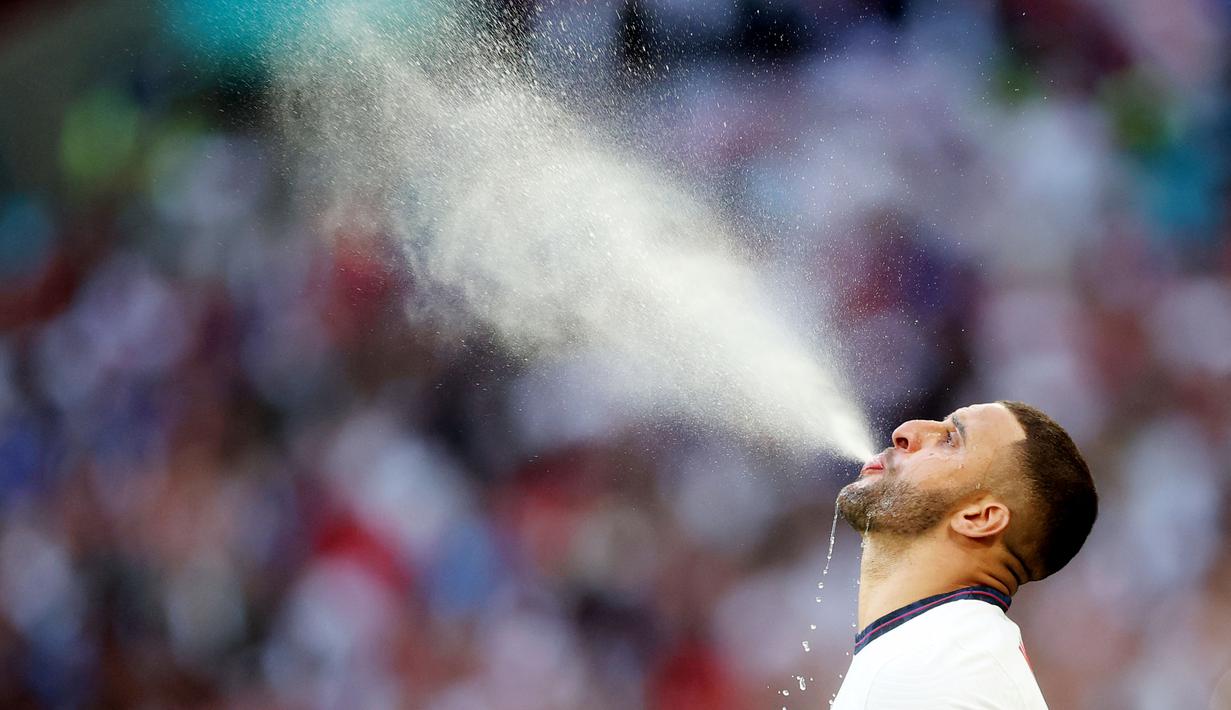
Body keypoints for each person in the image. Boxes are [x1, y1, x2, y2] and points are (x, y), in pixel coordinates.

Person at [830, 401, 1097, 709]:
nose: (905, 431)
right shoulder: (940, 651)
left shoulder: (942, 668)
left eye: (950, 439)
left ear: (978, 517)